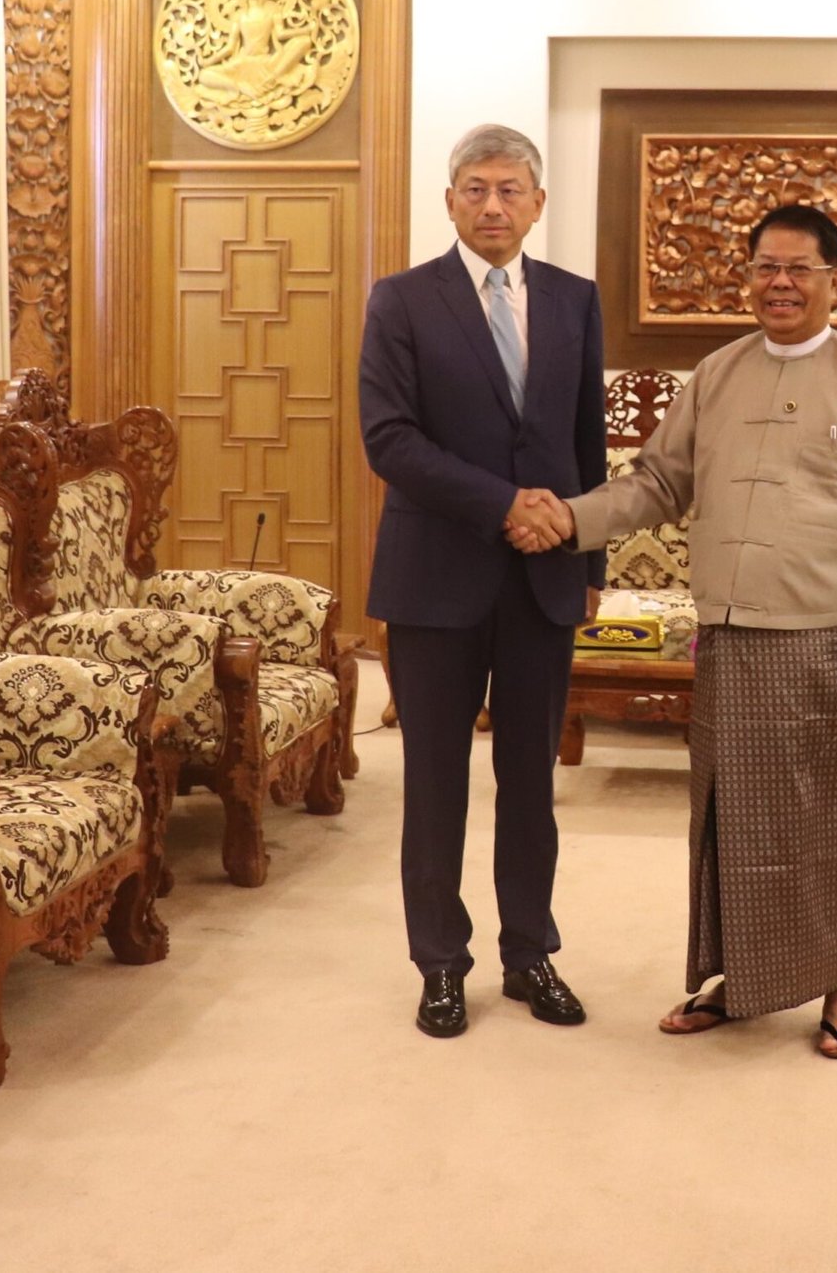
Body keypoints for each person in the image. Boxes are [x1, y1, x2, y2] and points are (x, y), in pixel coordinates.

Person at [508, 204, 837, 1059]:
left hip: (827, 635)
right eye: (765, 266)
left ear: (833, 280)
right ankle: (743, 978)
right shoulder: (717, 373)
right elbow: (658, 483)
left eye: (799, 268)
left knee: (830, 816)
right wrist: (569, 520)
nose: (779, 283)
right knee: (730, 818)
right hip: (729, 630)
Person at [359, 123, 605, 1039]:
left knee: (530, 784)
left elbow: (588, 444)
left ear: (538, 204)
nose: (492, 205)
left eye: (510, 189)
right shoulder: (402, 300)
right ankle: (440, 964)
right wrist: (504, 502)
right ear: (450, 199)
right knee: (435, 784)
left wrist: (589, 560)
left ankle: (529, 954)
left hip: (545, 582)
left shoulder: (576, 301)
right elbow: (390, 440)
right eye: (475, 188)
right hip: (434, 580)